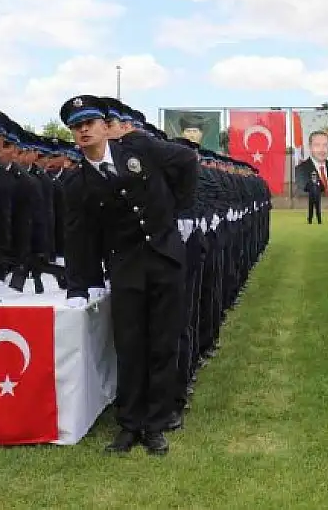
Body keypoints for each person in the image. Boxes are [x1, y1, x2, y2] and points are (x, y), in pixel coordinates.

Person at [60, 94, 198, 455]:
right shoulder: (77, 184)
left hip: (165, 258)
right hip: (125, 267)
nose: (83, 130)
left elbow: (186, 159)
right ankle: (128, 425)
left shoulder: (138, 147)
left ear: (105, 126)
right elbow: (77, 238)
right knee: (130, 347)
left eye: (89, 123)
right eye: (76, 127)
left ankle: (156, 424)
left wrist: (175, 209)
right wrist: (78, 286)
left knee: (163, 344)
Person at [295, 130, 328, 195]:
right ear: (310, 147)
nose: (322, 149)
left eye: (325, 145)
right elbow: (304, 199)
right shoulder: (300, 170)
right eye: (317, 145)